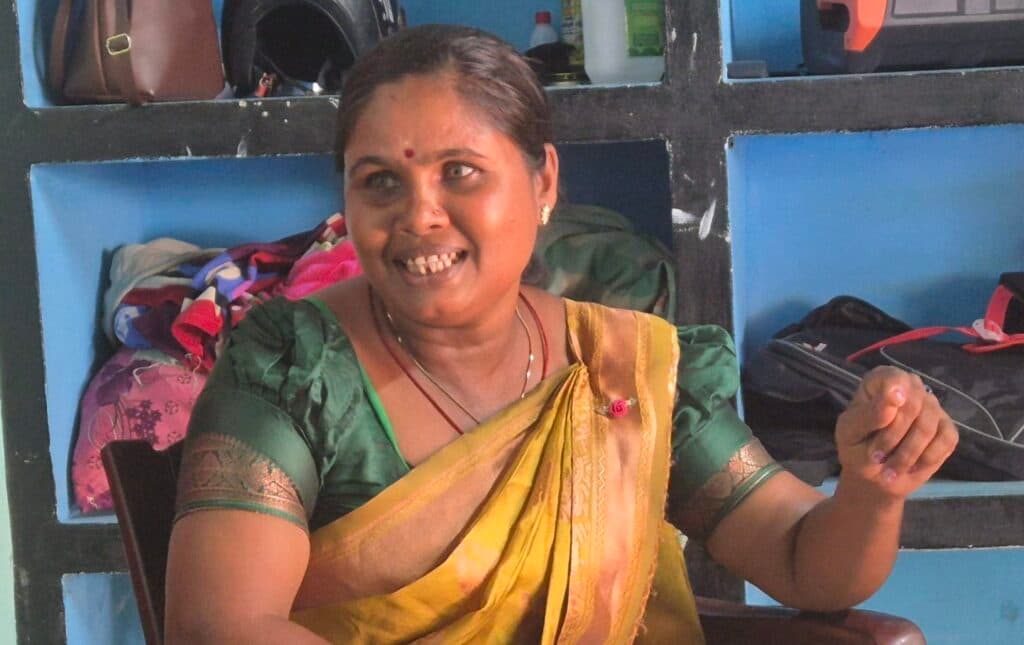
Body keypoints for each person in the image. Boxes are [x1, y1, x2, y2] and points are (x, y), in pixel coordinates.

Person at [164, 24, 958, 644]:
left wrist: (872, 486)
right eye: (380, 182)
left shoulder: (621, 368)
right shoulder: (293, 368)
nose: (419, 216)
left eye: (460, 172)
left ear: (544, 182)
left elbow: (802, 559)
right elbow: (219, 627)